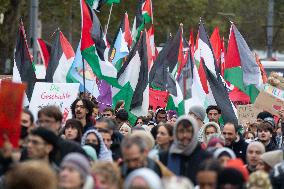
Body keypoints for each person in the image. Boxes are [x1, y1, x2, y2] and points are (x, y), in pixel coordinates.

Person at [159, 115, 211, 184]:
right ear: (176, 133)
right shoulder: (165, 156)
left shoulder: (206, 157)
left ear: (195, 132)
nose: (185, 135)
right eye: (181, 131)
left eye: (189, 131)